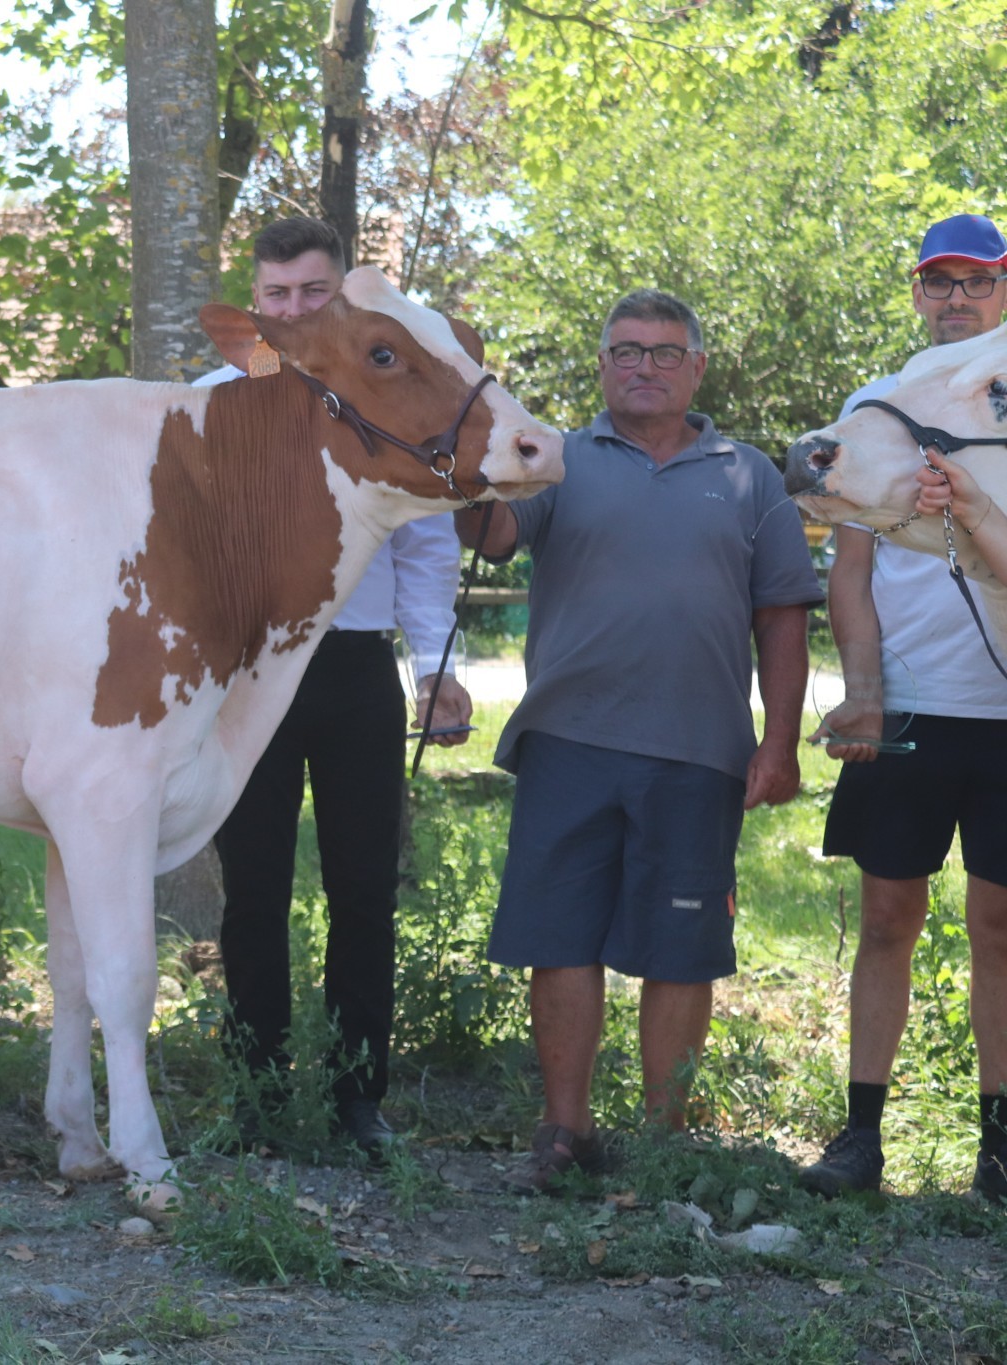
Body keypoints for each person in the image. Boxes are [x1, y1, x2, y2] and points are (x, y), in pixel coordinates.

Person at [463, 289, 820, 1191]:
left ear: (698, 367)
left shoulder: (751, 476)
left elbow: (783, 618)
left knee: (679, 949)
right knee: (561, 939)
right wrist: (480, 470)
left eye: (664, 352)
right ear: (602, 365)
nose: (644, 367)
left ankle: (664, 1144)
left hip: (700, 749)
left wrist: (778, 744)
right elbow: (494, 532)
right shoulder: (557, 459)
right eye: (626, 351)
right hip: (566, 740)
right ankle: (565, 1131)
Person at [197, 215, 472, 1157]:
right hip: (248, 673)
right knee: (252, 892)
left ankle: (361, 1101)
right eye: (276, 296)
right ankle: (256, 1098)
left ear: (342, 295)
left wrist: (437, 671)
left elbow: (432, 541)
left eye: (312, 293)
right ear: (254, 302)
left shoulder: (391, 393)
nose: (293, 311)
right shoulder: (211, 402)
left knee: (364, 889)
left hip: (357, 666)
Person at [801, 213, 1007, 1201]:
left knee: (999, 926)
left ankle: (997, 1150)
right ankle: (858, 1137)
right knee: (886, 915)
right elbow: (848, 567)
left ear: (1002, 292)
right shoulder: (872, 408)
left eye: (975, 282)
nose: (955, 299)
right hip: (913, 706)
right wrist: (867, 694)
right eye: (938, 283)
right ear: (915, 292)